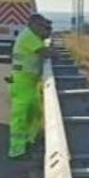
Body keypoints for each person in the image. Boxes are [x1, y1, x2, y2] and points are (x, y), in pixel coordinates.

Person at [8, 14, 53, 159]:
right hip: (23, 80)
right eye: (41, 26)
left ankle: (29, 141)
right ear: (33, 25)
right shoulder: (28, 36)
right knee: (21, 115)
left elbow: (44, 43)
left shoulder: (33, 36)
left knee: (35, 112)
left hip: (30, 81)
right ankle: (16, 149)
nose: (43, 29)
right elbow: (44, 52)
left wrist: (46, 33)